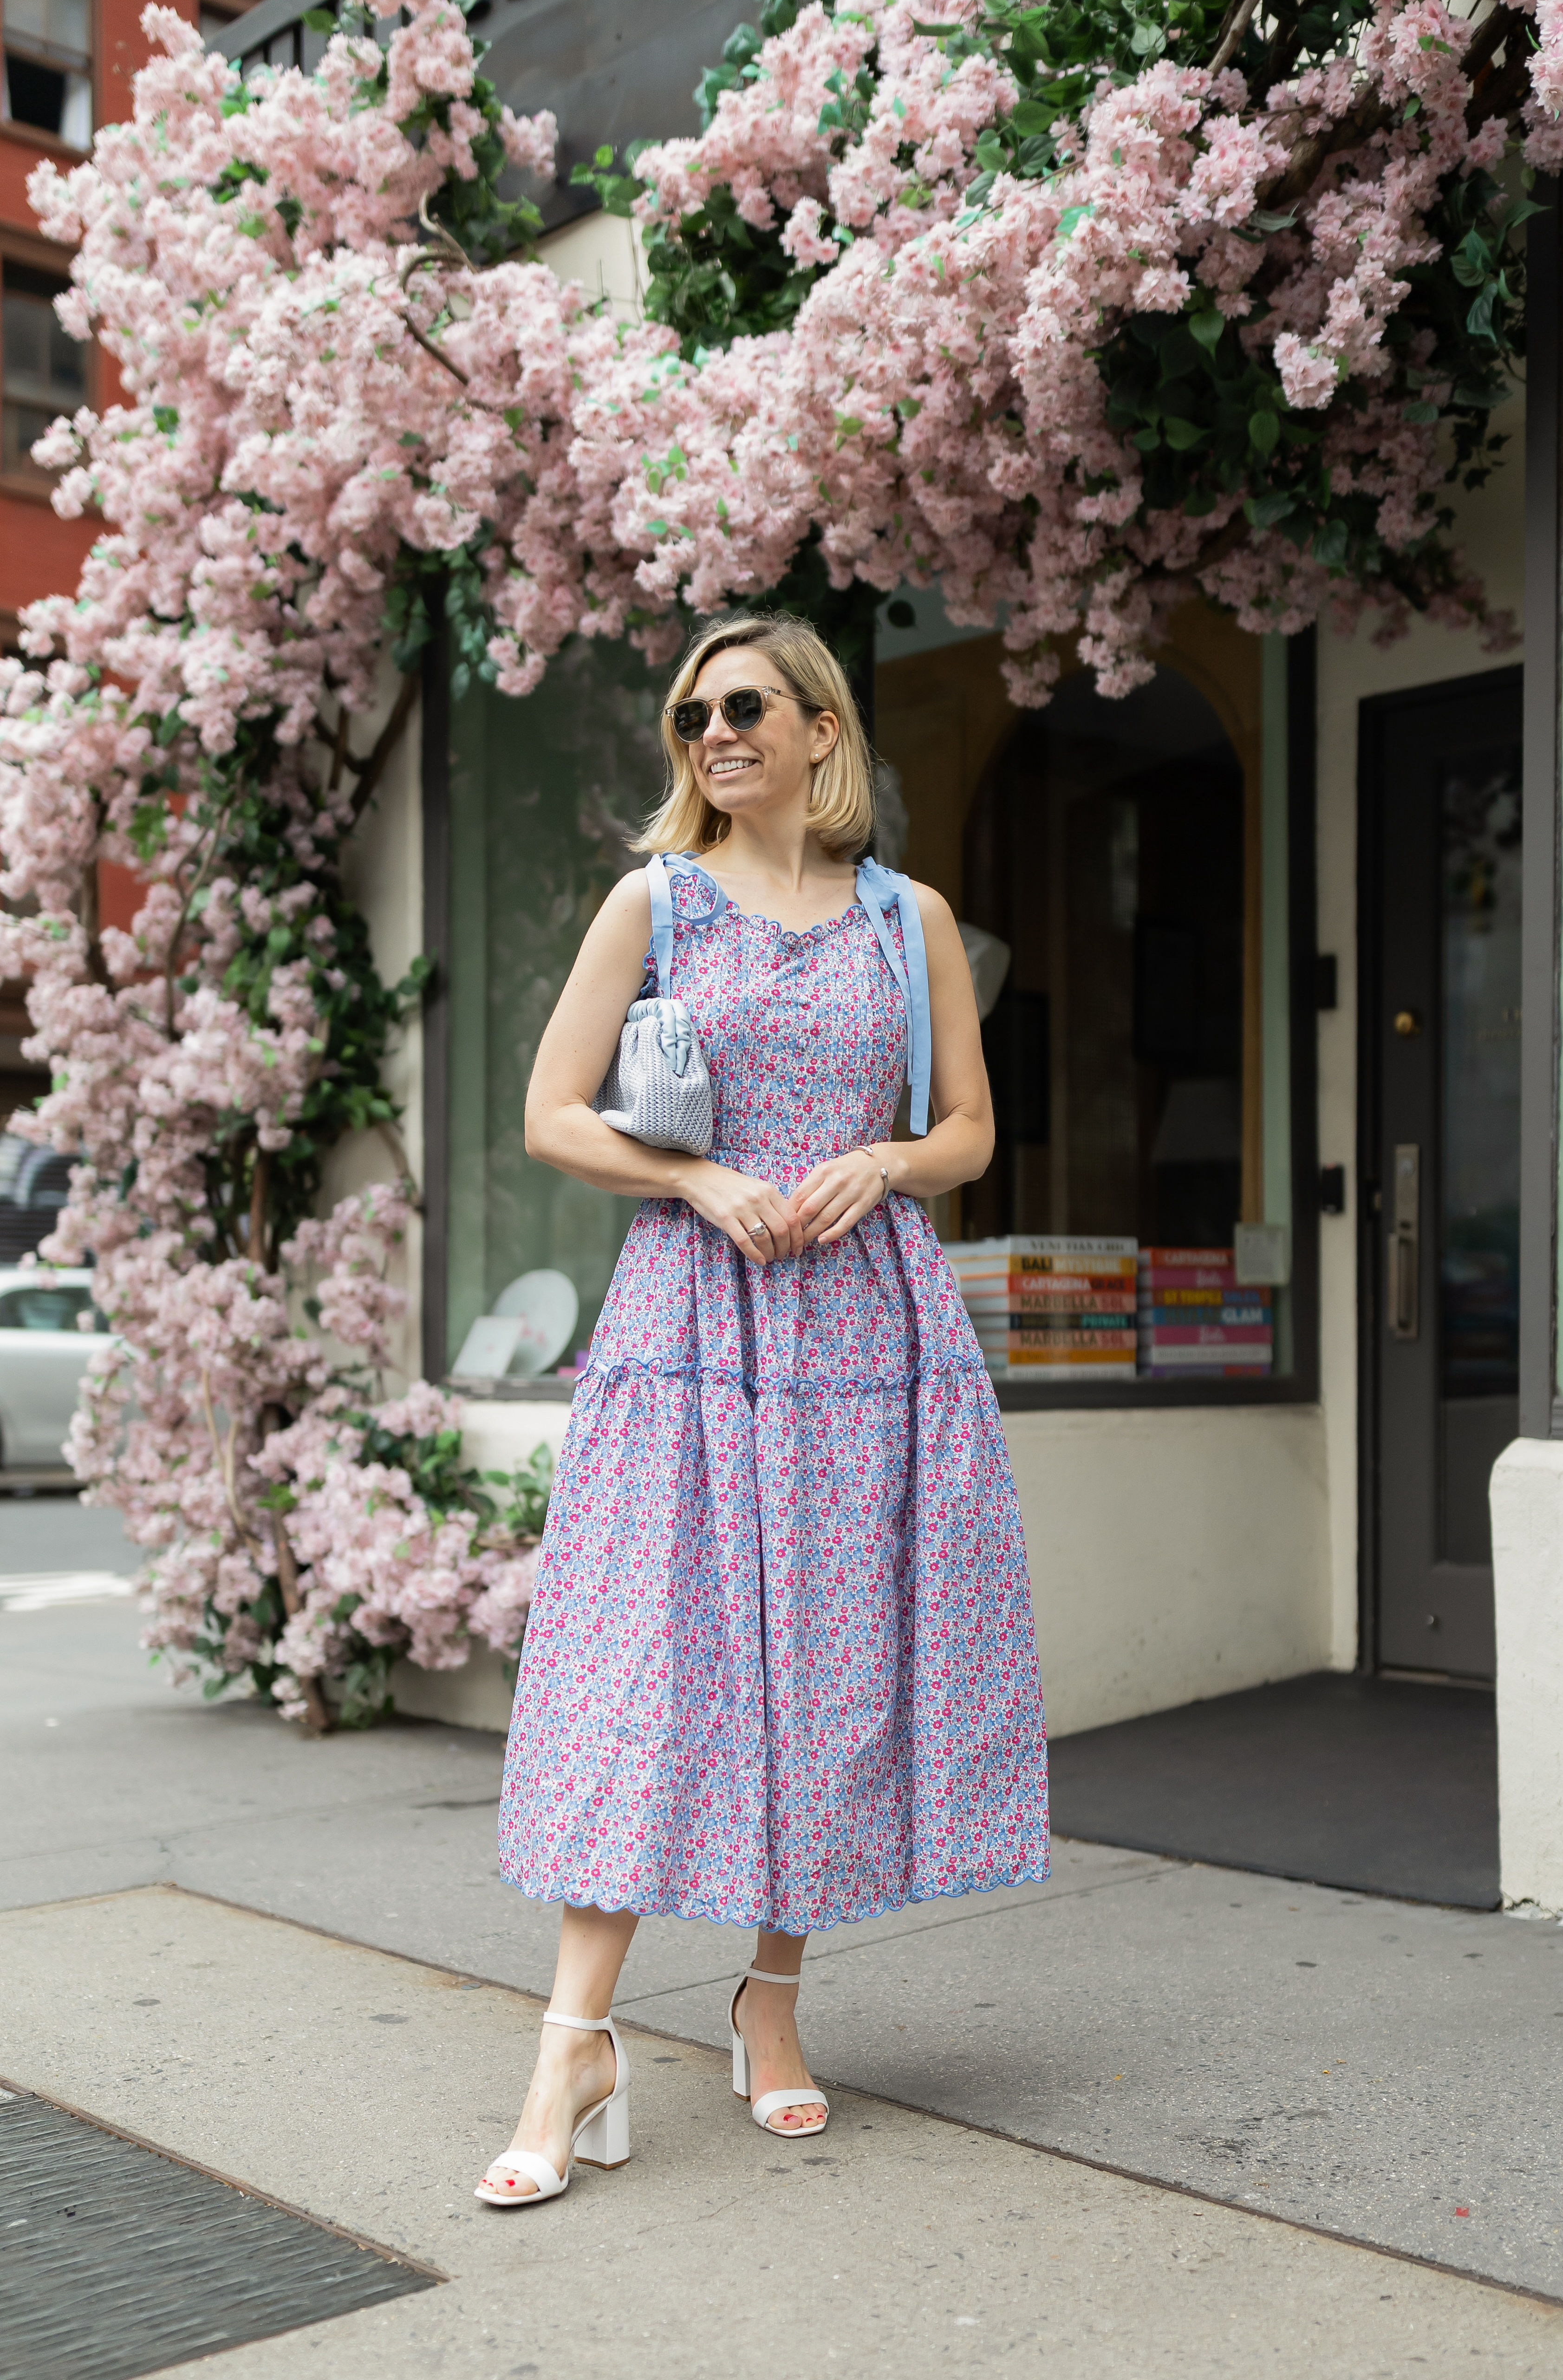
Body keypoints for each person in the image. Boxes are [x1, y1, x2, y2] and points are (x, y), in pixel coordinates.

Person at [478, 611, 1050, 2207]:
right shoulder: (650, 902)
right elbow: (547, 1113)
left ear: (818, 730)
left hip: (869, 1330)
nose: (713, 734)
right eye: (689, 717)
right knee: (653, 1665)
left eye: (743, 708)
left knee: (832, 1657)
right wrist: (698, 1175)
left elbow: (971, 1132)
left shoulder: (907, 919)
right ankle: (572, 2040)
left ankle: (771, 2004)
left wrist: (886, 1161)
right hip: (690, 1322)